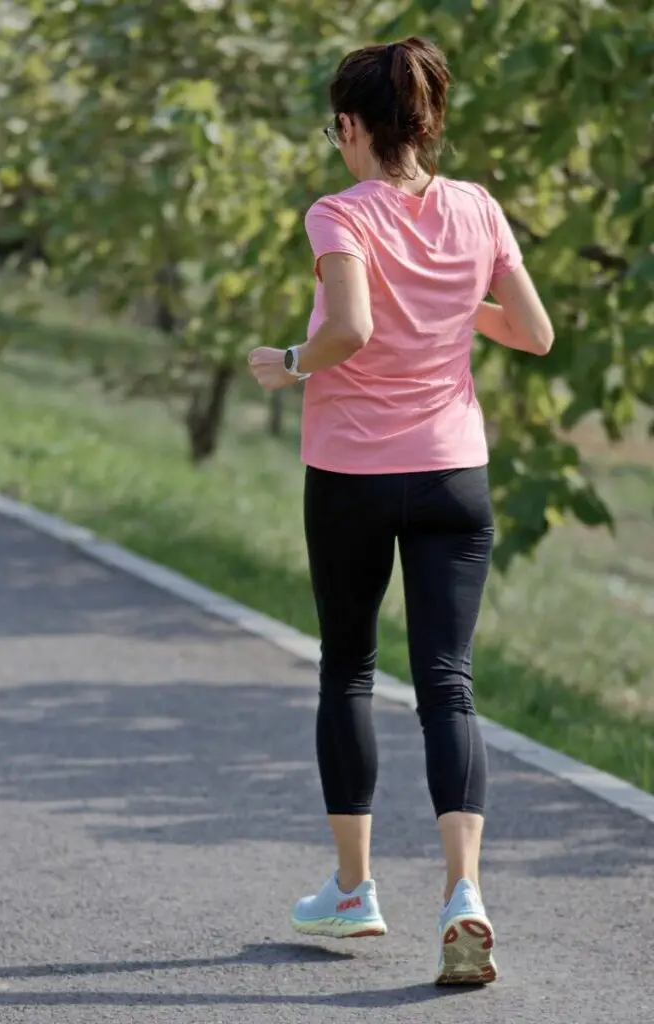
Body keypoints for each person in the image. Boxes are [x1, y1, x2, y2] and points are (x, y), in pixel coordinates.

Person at [248, 35, 554, 985]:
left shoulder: (339, 212)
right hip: (455, 473)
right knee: (447, 684)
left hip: (352, 472)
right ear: (425, 122)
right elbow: (534, 333)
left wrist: (287, 365)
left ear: (350, 126)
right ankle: (463, 894)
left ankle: (353, 893)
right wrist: (453, 310)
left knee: (349, 669)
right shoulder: (478, 207)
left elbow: (351, 328)